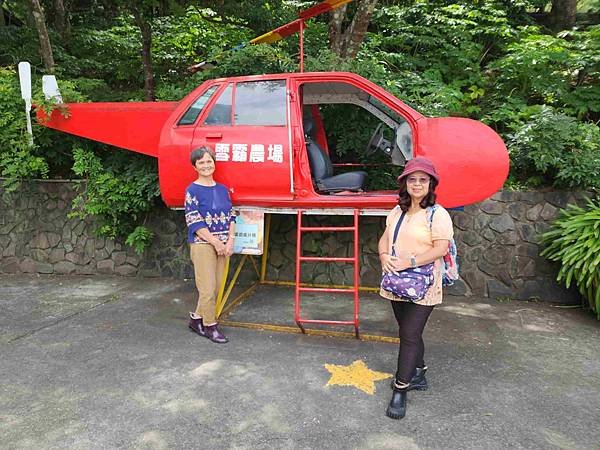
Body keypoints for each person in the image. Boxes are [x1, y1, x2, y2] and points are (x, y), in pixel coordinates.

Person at [377, 156, 454, 420]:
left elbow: (440, 248)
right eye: (413, 179)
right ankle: (418, 371)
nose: (417, 184)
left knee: (409, 334)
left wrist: (409, 262)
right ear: (405, 183)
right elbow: (385, 240)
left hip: (426, 283)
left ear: (431, 184)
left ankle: (401, 389)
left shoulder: (437, 214)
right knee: (408, 330)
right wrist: (384, 256)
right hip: (398, 282)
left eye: (423, 180)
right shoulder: (397, 211)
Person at [185, 146, 236, 344]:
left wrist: (230, 240)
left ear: (214, 163)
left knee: (215, 288)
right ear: (195, 167)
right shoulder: (192, 190)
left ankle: (195, 320)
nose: (206, 165)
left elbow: (231, 215)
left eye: (209, 161)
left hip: (224, 244)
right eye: (201, 163)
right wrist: (215, 242)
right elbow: (194, 221)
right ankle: (210, 326)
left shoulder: (222, 189)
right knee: (207, 288)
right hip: (203, 244)